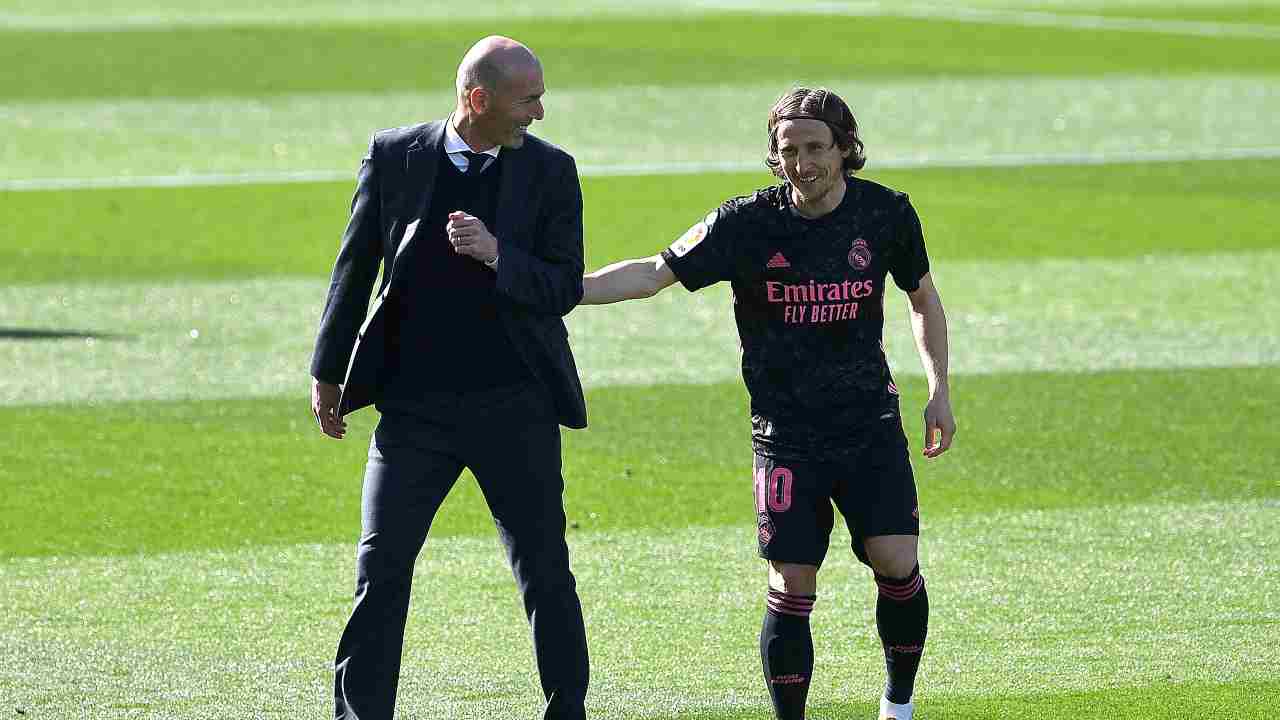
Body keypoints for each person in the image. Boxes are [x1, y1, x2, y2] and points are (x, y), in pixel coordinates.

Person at [579, 87, 955, 720]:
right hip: (785, 434)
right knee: (791, 583)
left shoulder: (887, 214)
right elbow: (653, 273)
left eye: (816, 148)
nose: (802, 164)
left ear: (844, 148)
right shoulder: (747, 222)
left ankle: (898, 705)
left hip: (869, 424)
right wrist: (550, 286)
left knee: (897, 562)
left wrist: (940, 390)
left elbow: (923, 299)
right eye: (788, 151)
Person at [309, 36, 590, 720]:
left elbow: (563, 287)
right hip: (413, 412)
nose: (542, 113)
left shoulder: (552, 172)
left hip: (514, 406)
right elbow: (354, 268)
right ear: (478, 99)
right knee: (380, 572)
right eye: (529, 100)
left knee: (545, 572)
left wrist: (499, 256)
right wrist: (327, 370)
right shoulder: (395, 155)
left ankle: (567, 711)